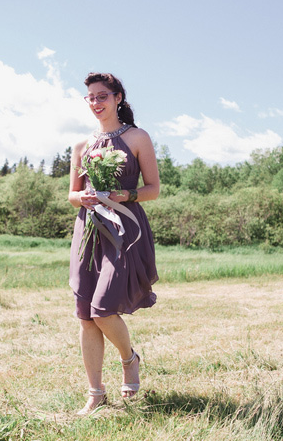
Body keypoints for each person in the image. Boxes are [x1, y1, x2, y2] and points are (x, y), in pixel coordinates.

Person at [68, 72, 160, 415]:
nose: (96, 103)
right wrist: (85, 198)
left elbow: (153, 188)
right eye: (90, 97)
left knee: (103, 308)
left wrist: (125, 194)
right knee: (86, 316)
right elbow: (71, 195)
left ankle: (129, 359)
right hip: (88, 232)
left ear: (118, 98)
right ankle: (95, 392)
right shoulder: (81, 146)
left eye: (102, 96)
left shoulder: (138, 137)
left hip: (124, 232)